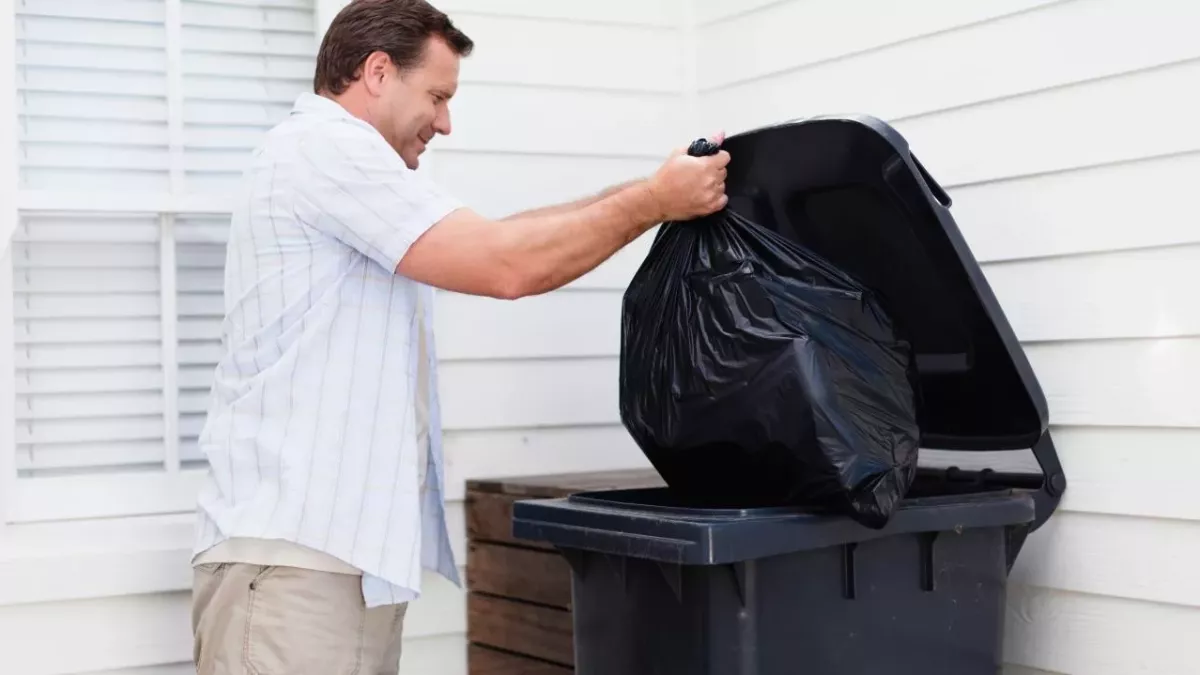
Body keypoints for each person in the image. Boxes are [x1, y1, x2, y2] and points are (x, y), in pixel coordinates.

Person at [188, 0, 730, 672]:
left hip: (331, 562)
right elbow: (508, 264)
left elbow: (499, 236)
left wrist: (654, 190)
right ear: (378, 72)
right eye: (438, 96)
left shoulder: (339, 164)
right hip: (297, 570)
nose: (445, 122)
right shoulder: (327, 149)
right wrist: (655, 202)